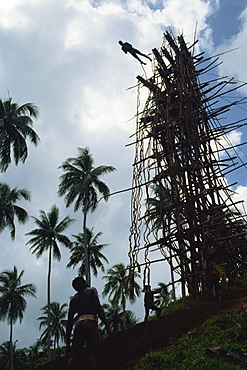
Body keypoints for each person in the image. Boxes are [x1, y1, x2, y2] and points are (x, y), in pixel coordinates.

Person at [65, 276, 112, 370]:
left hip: (78, 325)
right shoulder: (91, 291)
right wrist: (107, 325)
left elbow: (70, 321)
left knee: (73, 357)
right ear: (84, 283)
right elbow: (98, 308)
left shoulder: (74, 299)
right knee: (92, 356)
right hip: (90, 323)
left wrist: (67, 342)